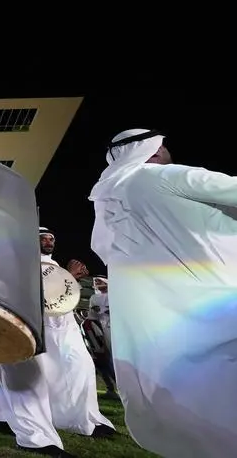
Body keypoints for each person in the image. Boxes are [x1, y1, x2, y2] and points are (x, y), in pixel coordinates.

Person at [89, 128, 237, 457]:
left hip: (170, 316)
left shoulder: (106, 204)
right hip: (219, 297)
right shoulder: (159, 176)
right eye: (162, 146)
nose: (165, 151)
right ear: (152, 150)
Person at [37, 228, 115, 438]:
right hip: (48, 329)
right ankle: (71, 420)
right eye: (43, 238)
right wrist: (69, 276)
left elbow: (64, 295)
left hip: (67, 326)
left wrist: (74, 280)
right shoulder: (29, 265)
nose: (48, 241)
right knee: (61, 373)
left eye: (51, 238)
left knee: (83, 367)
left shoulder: (53, 265)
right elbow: (43, 298)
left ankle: (90, 417)